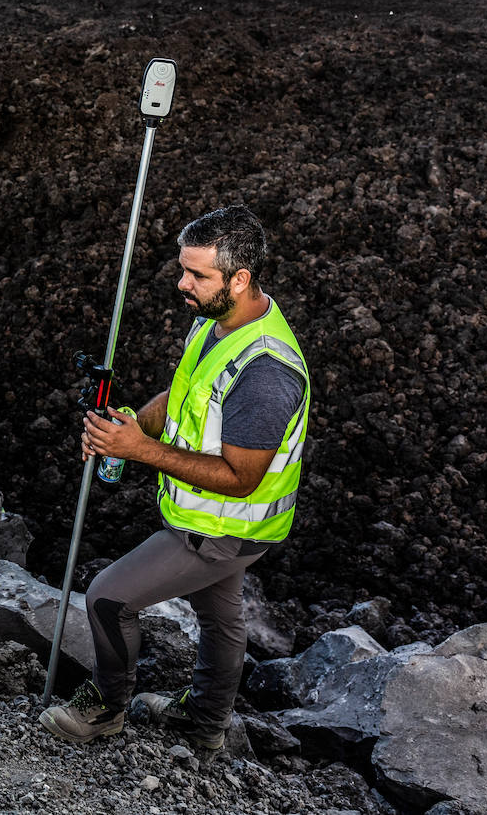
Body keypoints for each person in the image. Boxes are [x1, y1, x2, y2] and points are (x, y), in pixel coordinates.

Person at [40, 205, 310, 750]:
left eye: (197, 275)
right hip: (219, 520)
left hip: (223, 527)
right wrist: (135, 424)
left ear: (240, 278)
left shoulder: (265, 371)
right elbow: (183, 393)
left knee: (109, 599)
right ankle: (205, 725)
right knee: (221, 616)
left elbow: (241, 478)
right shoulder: (217, 321)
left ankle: (106, 710)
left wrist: (138, 450)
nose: (182, 283)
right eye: (182, 269)